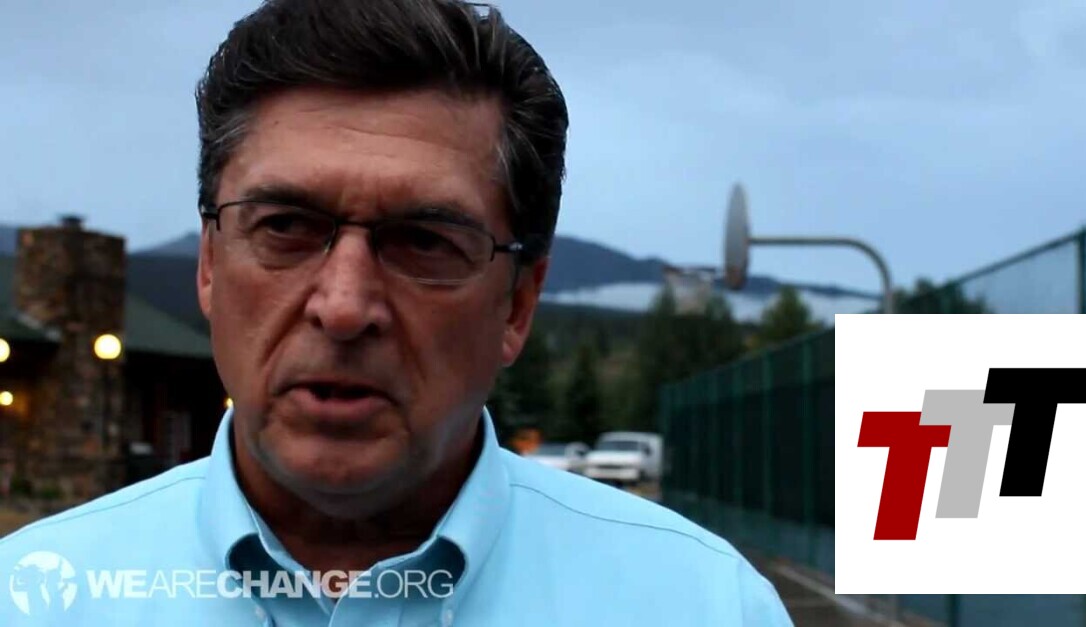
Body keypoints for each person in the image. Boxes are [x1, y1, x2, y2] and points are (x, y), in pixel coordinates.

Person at [0, 1, 791, 624]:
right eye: (285, 226)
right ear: (210, 263)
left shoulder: (700, 605)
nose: (344, 306)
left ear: (517, 303)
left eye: (423, 241)